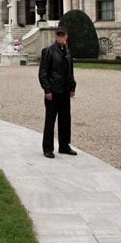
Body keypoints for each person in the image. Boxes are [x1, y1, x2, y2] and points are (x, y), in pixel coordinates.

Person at [39, 26, 77, 159]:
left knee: (65, 119)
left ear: (66, 36)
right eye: (58, 35)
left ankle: (64, 145)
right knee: (50, 120)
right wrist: (47, 89)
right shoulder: (49, 51)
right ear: (56, 36)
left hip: (65, 90)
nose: (60, 37)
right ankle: (48, 148)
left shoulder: (67, 50)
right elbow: (43, 73)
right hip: (53, 91)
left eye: (63, 35)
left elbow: (70, 71)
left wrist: (72, 87)